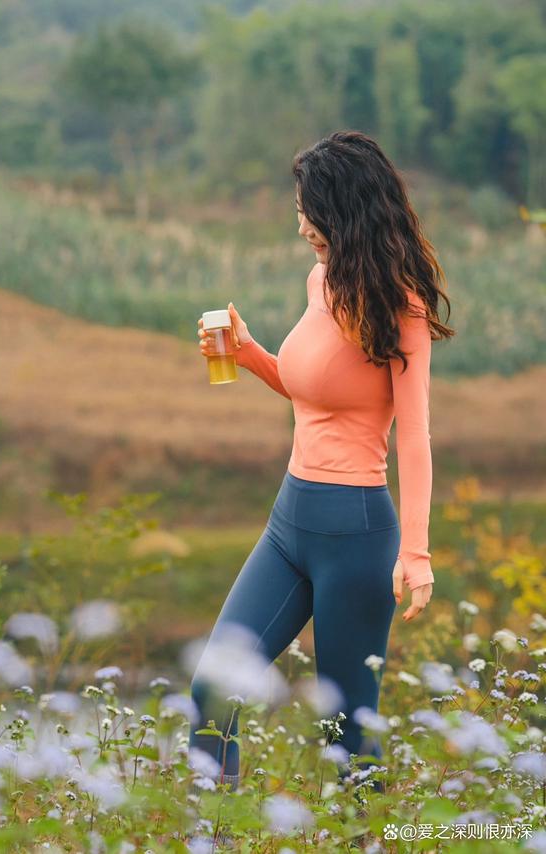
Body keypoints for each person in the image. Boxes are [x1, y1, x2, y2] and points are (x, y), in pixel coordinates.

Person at [189, 130, 454, 793]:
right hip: (290, 522)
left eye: (309, 207)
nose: (300, 222)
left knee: (347, 735)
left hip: (356, 534)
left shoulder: (401, 308)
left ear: (342, 207)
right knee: (212, 691)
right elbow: (313, 393)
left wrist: (415, 552)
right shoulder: (321, 279)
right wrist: (249, 354)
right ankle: (216, 834)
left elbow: (415, 436)